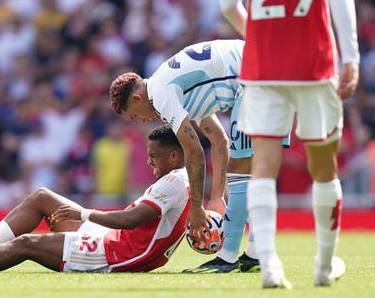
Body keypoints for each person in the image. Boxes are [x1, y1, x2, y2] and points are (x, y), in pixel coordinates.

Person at [219, 0, 360, 289]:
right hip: (314, 63)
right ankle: (323, 266)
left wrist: (256, 34)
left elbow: (226, 4)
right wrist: (351, 56)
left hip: (263, 68)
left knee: (263, 166)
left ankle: (270, 266)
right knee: (324, 166)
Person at [0, 125, 190, 274]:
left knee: (27, 244)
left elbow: (130, 220)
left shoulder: (174, 182)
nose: (149, 160)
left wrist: (82, 215)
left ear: (175, 156)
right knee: (42, 197)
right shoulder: (182, 180)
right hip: (113, 238)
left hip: (117, 254)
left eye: (154, 156)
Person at [109, 39, 262, 273]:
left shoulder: (160, 94)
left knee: (242, 170)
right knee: (252, 170)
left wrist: (197, 208)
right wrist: (216, 198)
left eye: (134, 116)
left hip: (254, 76)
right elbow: (218, 140)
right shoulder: (181, 88)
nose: (141, 121)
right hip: (259, 69)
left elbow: (193, 151)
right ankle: (255, 254)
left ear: (138, 99)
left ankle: (231, 257)